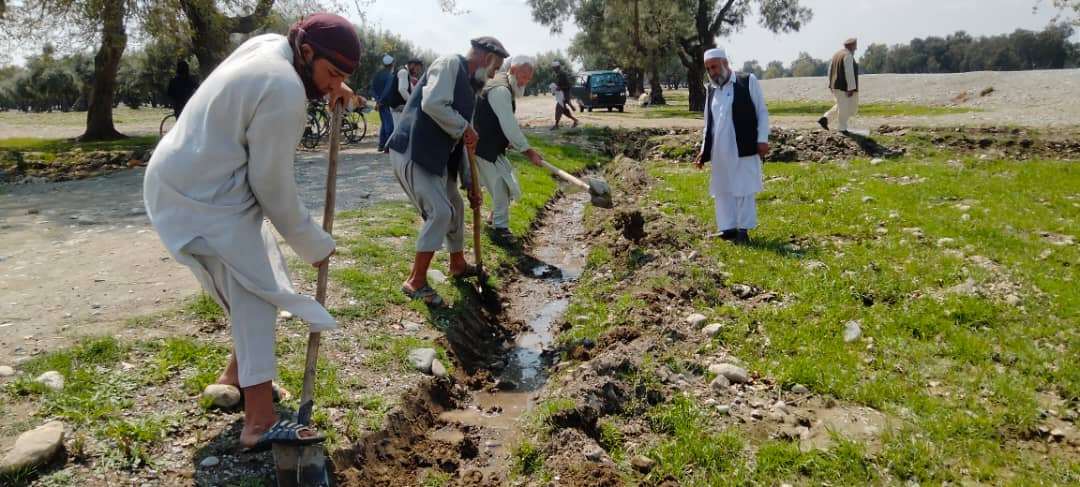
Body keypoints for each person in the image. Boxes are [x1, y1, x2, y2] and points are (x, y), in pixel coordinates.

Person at [143, 13, 363, 450]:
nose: (329, 84)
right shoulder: (284, 90)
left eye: (339, 77)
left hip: (195, 176)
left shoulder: (271, 46)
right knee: (257, 293)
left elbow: (264, 177)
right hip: (201, 195)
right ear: (306, 53)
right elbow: (271, 185)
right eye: (329, 73)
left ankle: (236, 376)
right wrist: (313, 243)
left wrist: (336, 86)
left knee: (259, 278)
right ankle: (258, 423)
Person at [387, 36, 509, 308]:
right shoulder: (449, 64)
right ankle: (415, 281)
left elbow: (466, 141)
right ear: (486, 58)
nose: (494, 74)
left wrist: (470, 184)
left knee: (456, 205)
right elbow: (433, 104)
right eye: (496, 67)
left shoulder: (472, 89)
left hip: (439, 158)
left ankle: (457, 263)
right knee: (441, 211)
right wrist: (465, 128)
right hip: (412, 150)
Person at [694, 47, 770, 245]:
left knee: (743, 188)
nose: (712, 73)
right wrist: (704, 150)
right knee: (722, 189)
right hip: (719, 150)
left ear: (725, 64)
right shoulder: (710, 90)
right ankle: (727, 229)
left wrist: (762, 139)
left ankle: (743, 231)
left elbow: (761, 111)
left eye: (715, 67)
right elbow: (708, 124)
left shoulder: (747, 82)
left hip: (742, 146)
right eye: (708, 69)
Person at [472, 55, 544, 244]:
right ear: (512, 71)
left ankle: (495, 217)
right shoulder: (501, 90)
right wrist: (528, 152)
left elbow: (498, 121)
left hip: (489, 146)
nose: (525, 82)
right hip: (482, 146)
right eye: (522, 77)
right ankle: (500, 230)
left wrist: (506, 140)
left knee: (507, 182)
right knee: (501, 185)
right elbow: (509, 124)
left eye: (528, 79)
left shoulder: (503, 87)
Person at [819, 38, 859, 132]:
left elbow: (830, 70)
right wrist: (851, 88)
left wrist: (830, 84)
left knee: (842, 105)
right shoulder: (848, 56)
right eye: (855, 46)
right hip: (844, 87)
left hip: (836, 85)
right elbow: (849, 73)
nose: (856, 48)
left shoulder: (837, 54)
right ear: (851, 46)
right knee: (846, 108)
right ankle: (842, 128)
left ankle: (825, 119)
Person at [371, 54, 396, 152]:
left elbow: (372, 88)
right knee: (389, 125)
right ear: (391, 65)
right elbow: (387, 90)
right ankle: (387, 146)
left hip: (380, 103)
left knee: (384, 124)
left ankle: (381, 145)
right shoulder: (390, 76)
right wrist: (381, 101)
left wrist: (377, 100)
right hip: (386, 103)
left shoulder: (377, 74)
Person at [389, 59, 423, 125]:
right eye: (417, 69)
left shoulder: (404, 72)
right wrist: (413, 102)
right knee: (398, 130)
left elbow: (411, 89)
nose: (417, 72)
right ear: (412, 65)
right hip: (398, 108)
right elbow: (402, 90)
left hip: (398, 107)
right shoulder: (404, 72)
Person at [551, 60, 578, 129]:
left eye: (554, 68)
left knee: (558, 108)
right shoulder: (559, 75)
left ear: (558, 67)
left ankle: (556, 125)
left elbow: (568, 85)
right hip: (561, 96)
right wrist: (555, 89)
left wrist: (560, 88)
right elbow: (559, 85)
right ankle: (575, 120)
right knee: (564, 111)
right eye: (553, 68)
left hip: (564, 96)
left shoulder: (563, 74)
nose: (553, 70)